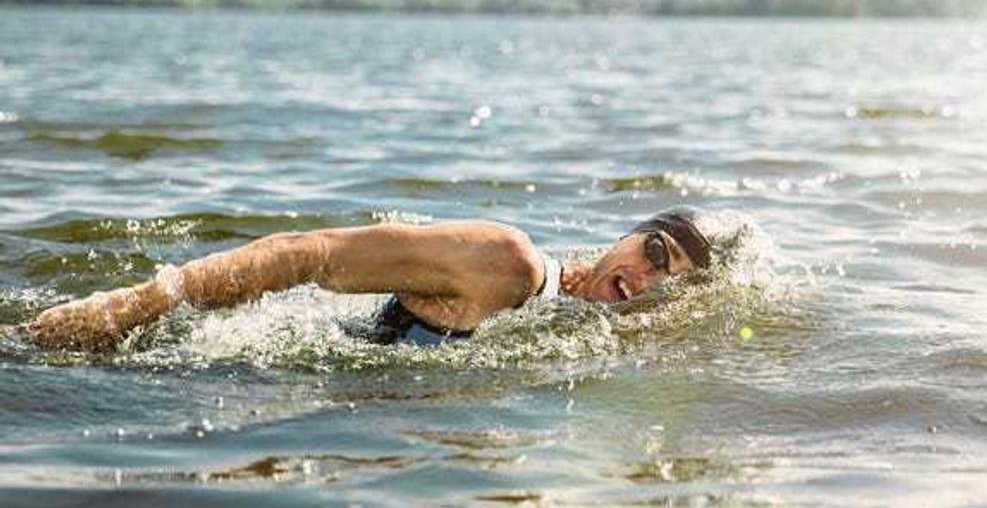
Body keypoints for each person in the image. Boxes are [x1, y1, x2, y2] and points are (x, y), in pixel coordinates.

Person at [20, 207, 716, 351]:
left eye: (672, 280)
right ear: (622, 236)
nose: (650, 278)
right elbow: (310, 250)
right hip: (210, 389)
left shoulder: (579, 326)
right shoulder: (511, 263)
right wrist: (123, 311)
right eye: (654, 251)